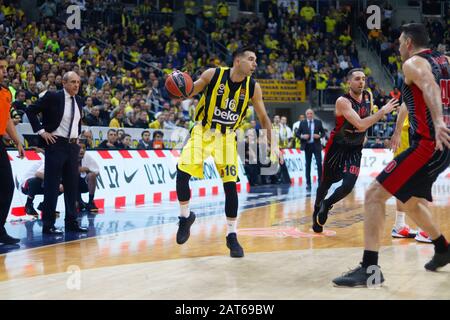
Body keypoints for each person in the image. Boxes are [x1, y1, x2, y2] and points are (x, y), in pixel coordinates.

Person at [333, 23, 450, 287]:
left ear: (409, 42)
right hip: (442, 146)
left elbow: (430, 86)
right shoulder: (446, 61)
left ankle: (370, 268)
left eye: (399, 42)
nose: (397, 48)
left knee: (374, 194)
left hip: (428, 144)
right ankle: (443, 248)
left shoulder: (413, 63)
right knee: (409, 200)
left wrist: (440, 120)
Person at [174, 46, 273, 257]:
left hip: (227, 137)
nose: (255, 63)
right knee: (182, 173)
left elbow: (264, 118)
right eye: (251, 59)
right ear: (238, 61)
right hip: (203, 130)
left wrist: (273, 145)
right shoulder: (213, 74)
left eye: (256, 60)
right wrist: (180, 86)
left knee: (230, 185)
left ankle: (232, 235)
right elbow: (190, 91)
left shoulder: (253, 87)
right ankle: (185, 217)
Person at [312, 69, 398, 233]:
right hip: (337, 148)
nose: (361, 82)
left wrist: (365, 135)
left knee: (348, 186)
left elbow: (367, 120)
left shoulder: (368, 96)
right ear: (349, 82)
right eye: (357, 79)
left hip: (355, 149)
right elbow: (360, 124)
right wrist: (382, 112)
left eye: (364, 79)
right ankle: (316, 212)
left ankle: (327, 204)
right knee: (325, 184)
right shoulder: (342, 101)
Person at [26, 71, 88, 234]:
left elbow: (77, 123)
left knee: (71, 186)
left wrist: (77, 138)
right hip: (56, 144)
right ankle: (48, 224)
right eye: (73, 82)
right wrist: (41, 131)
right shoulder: (53, 96)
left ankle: (72, 222)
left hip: (73, 146)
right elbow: (30, 110)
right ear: (64, 83)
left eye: (78, 82)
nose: (76, 85)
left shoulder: (79, 100)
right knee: (52, 186)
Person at [389, 102, 431, 242]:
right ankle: (423, 229)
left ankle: (399, 226)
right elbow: (407, 102)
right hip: (410, 134)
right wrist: (398, 131)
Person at [0, 56, 25, 244]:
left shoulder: (6, 92)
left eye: (5, 68)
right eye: (0, 67)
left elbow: (7, 119)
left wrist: (17, 141)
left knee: (7, 186)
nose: (3, 71)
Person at [296, 109, 325, 191]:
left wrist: (319, 136)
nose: (309, 115)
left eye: (311, 113)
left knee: (319, 164)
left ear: (313, 114)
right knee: (308, 165)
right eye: (308, 113)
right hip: (307, 146)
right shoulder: (303, 123)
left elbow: (323, 133)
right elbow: (297, 133)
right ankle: (308, 183)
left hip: (316, 146)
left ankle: (320, 182)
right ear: (306, 115)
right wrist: (302, 136)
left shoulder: (318, 122)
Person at [77, 141, 99, 212]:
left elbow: (97, 171)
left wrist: (87, 170)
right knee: (76, 206)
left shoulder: (87, 156)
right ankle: (78, 200)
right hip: (70, 185)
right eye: (79, 148)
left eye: (84, 148)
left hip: (84, 184)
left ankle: (91, 201)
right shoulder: (68, 156)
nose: (82, 150)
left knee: (92, 175)